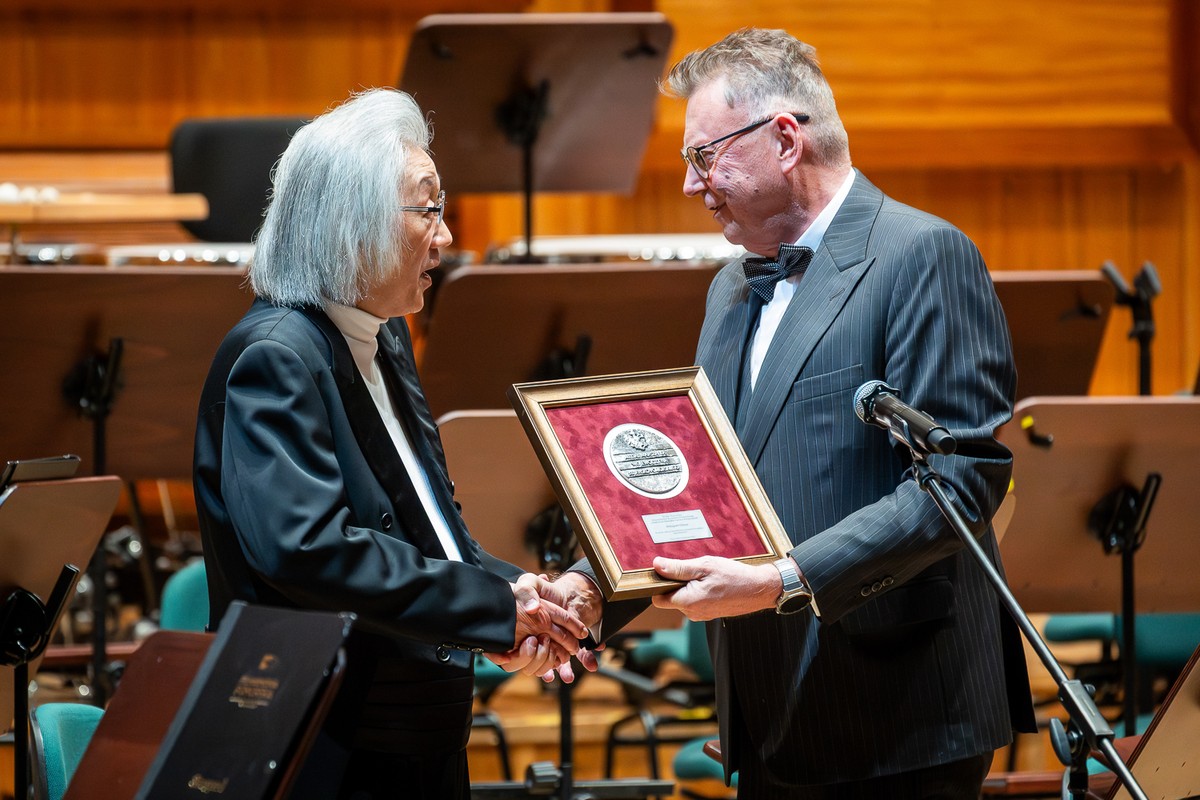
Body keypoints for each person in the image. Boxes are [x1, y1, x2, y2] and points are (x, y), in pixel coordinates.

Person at [552, 27, 1036, 799]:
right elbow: (701, 486)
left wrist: (782, 578)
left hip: (897, 715)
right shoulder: (730, 288)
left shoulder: (922, 255)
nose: (691, 184)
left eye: (704, 156)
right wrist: (590, 587)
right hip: (769, 709)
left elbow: (960, 485)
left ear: (784, 140)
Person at [192, 88, 587, 800]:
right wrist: (494, 609)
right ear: (353, 225)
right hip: (323, 742)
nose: (446, 237)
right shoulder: (277, 355)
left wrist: (511, 587)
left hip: (414, 726)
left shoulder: (384, 332)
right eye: (428, 209)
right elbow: (309, 550)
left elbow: (426, 525)